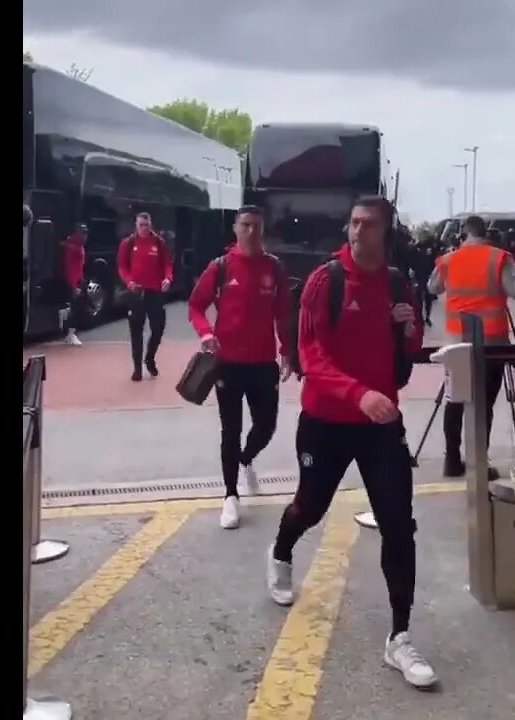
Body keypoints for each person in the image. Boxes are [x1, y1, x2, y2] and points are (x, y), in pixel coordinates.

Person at [265, 195, 437, 690]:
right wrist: (358, 394)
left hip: (380, 423)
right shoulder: (325, 281)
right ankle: (280, 551)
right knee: (311, 506)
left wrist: (408, 329)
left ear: (386, 232)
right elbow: (309, 353)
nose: (358, 232)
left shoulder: (400, 283)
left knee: (398, 525)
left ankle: (399, 637)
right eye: (354, 223)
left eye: (369, 224)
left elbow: (408, 349)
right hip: (327, 419)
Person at [188, 206, 293, 529]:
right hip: (228, 364)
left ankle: (246, 459)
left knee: (266, 426)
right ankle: (230, 496)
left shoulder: (274, 269)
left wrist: (288, 352)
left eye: (257, 226)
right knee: (230, 430)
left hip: (263, 364)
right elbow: (195, 306)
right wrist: (206, 333)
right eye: (245, 225)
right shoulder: (220, 267)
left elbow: (285, 314)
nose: (251, 232)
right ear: (235, 229)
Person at [428, 215, 515, 478]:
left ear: (463, 234)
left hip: (456, 343)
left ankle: (452, 460)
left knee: (455, 401)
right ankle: (478, 463)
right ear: (486, 233)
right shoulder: (499, 258)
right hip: (492, 344)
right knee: (483, 404)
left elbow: (432, 287)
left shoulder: (448, 259)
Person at [117, 212, 174, 381]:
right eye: (141, 225)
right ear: (136, 225)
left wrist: (167, 278)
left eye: (146, 225)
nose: (144, 228)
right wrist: (129, 281)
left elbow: (167, 264)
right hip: (136, 292)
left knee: (158, 327)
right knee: (136, 331)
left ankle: (150, 357)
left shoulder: (159, 242)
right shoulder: (128, 243)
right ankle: (137, 368)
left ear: (151, 225)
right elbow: (122, 266)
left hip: (155, 292)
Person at [62, 223, 88, 346]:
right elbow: (70, 268)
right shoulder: (73, 247)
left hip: (79, 279)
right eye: (83, 233)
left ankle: (71, 333)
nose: (85, 235)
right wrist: (74, 286)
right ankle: (70, 334)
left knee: (79, 307)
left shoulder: (79, 245)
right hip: (74, 281)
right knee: (75, 308)